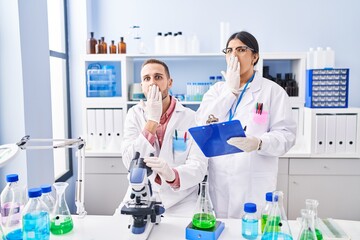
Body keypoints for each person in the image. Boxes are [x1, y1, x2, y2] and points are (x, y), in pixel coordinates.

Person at [195, 31, 296, 218]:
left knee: (252, 230)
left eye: (241, 49)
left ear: (255, 56)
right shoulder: (217, 91)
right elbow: (203, 123)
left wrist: (259, 143)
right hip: (220, 179)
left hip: (254, 181)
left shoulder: (273, 92)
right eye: (229, 50)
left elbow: (287, 135)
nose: (234, 55)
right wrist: (230, 92)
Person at [119, 58, 208, 217]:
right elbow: (128, 161)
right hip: (141, 195)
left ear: (170, 82)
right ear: (142, 85)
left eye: (158, 77)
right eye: (147, 79)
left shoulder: (191, 118)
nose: (152, 83)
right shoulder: (134, 115)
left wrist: (172, 174)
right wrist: (152, 122)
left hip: (181, 200)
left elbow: (199, 166)